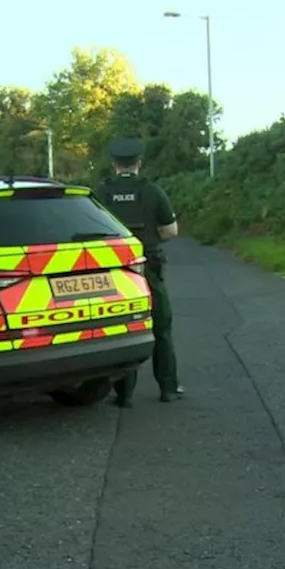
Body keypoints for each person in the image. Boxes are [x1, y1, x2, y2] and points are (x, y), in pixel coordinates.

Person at [94, 136, 183, 407]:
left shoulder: (100, 193)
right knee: (161, 327)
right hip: (148, 267)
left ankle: (124, 395)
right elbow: (171, 231)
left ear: (114, 164)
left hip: (114, 271)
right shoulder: (152, 191)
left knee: (124, 328)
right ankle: (168, 389)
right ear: (138, 163)